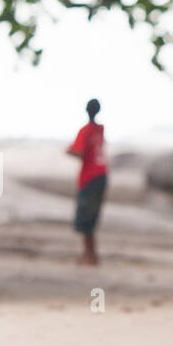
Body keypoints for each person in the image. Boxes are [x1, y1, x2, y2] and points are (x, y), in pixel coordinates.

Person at [67, 98, 108, 265]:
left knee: (85, 217)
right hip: (102, 175)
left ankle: (89, 255)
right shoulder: (100, 129)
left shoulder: (86, 130)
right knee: (92, 215)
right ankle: (91, 254)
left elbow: (79, 152)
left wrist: (68, 151)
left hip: (89, 176)